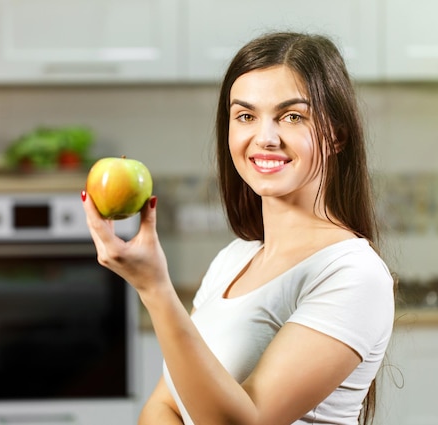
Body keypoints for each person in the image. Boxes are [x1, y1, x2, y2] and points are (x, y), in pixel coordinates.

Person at [81, 31, 396, 425]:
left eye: (292, 116)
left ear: (336, 135)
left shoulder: (353, 274)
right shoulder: (233, 260)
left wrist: (154, 289)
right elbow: (163, 406)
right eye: (246, 116)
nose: (264, 138)